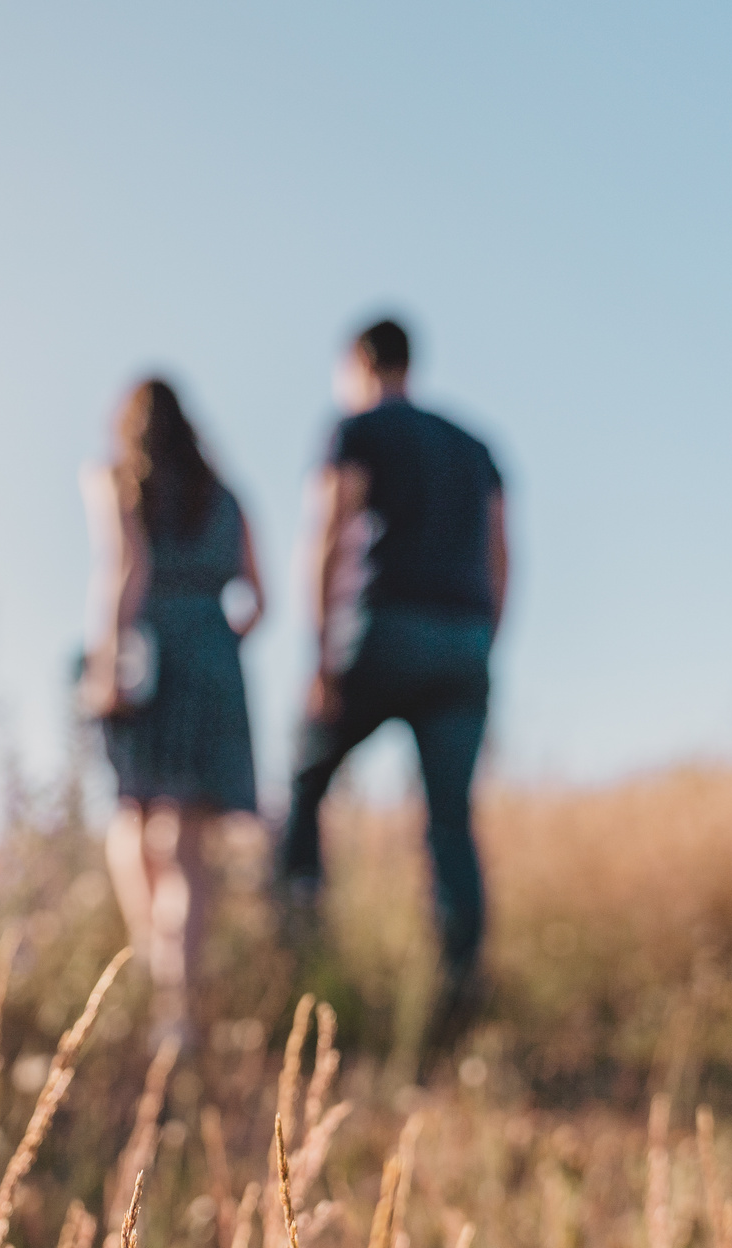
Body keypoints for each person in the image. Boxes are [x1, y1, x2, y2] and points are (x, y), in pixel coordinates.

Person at [278, 317, 510, 1073]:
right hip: (465, 639)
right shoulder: (476, 447)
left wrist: (319, 653)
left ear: (359, 363)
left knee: (306, 779)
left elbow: (327, 532)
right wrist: (485, 645)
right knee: (449, 817)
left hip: (385, 629)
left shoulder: (355, 428)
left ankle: (300, 947)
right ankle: (460, 978)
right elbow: (502, 554)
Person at [80, 378, 266, 1044]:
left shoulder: (115, 479)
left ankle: (155, 977)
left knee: (132, 814)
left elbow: (123, 567)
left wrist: (107, 662)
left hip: (148, 653)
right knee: (188, 845)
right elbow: (257, 597)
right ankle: (178, 1011)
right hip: (215, 657)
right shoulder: (227, 494)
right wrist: (214, 648)